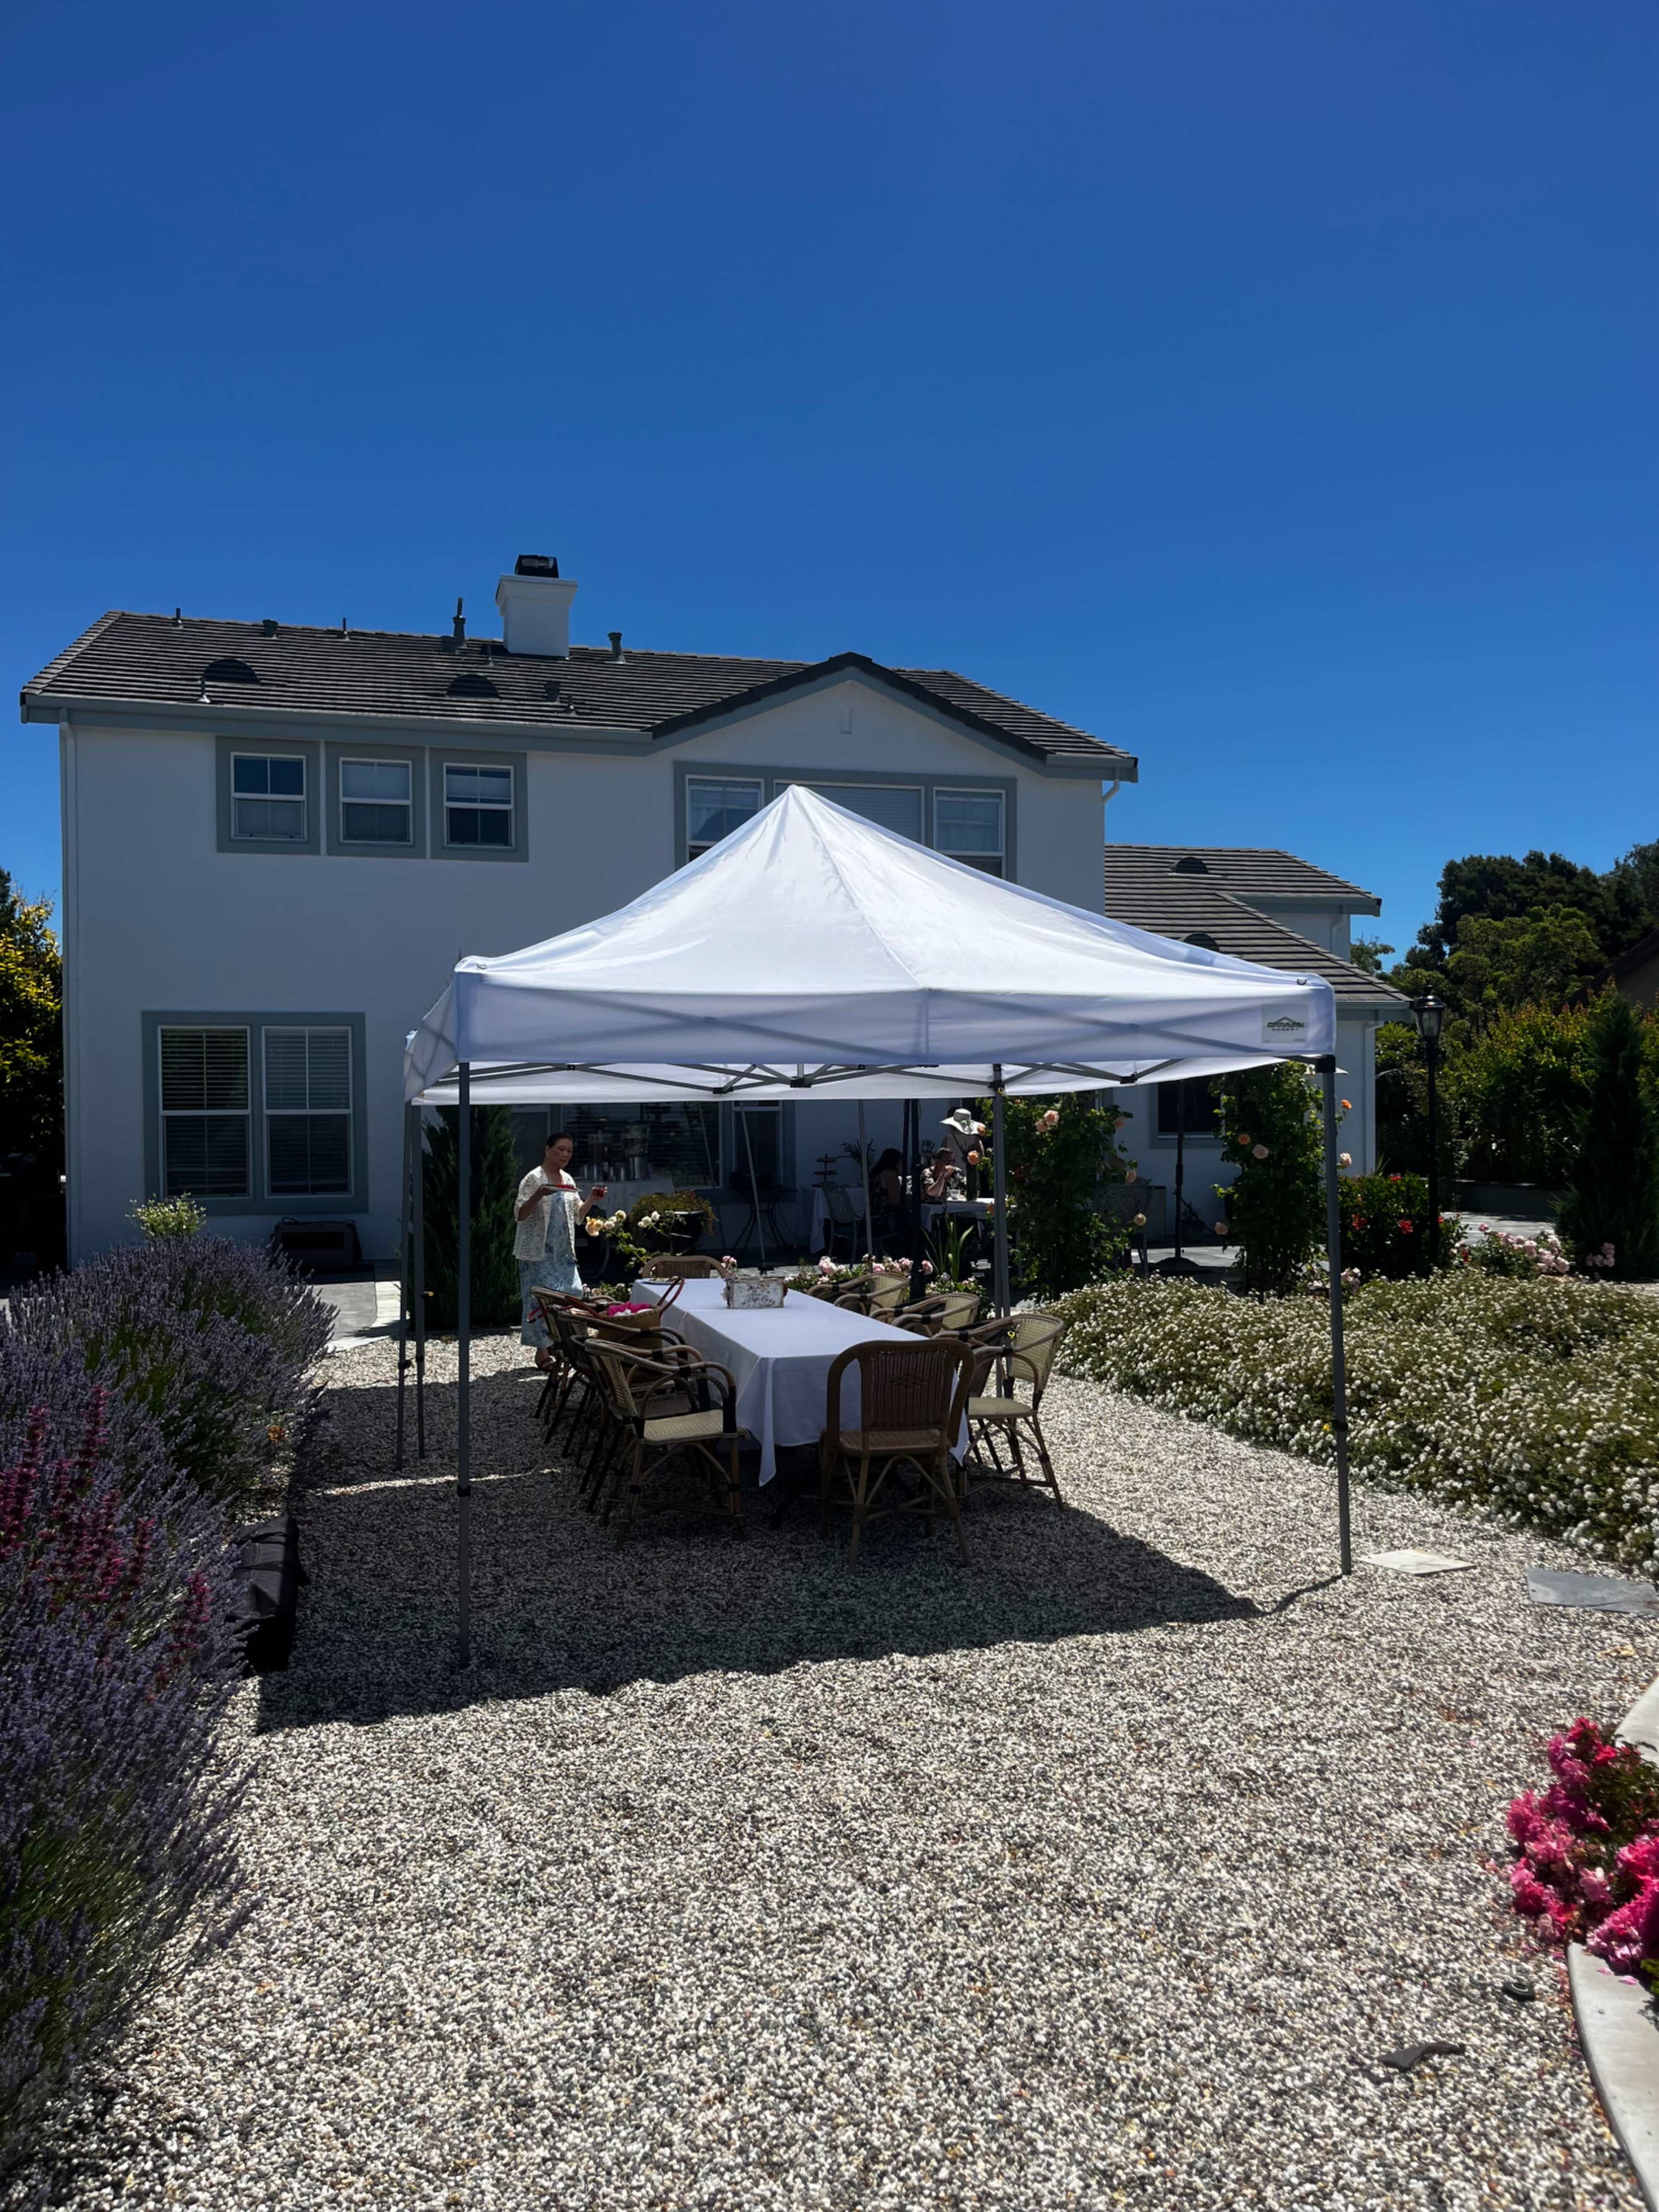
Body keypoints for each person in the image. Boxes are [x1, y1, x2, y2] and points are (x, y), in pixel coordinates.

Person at [515, 1133, 605, 1362]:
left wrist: (591, 1200)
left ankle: (565, 1344)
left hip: (564, 1252)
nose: (565, 1155)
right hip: (539, 1253)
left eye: (569, 1151)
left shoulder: (568, 1180)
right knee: (539, 1301)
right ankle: (541, 1352)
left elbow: (577, 1216)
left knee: (571, 1296)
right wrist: (539, 1194)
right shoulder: (533, 1179)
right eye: (560, 1150)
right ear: (548, 1150)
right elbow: (520, 1214)